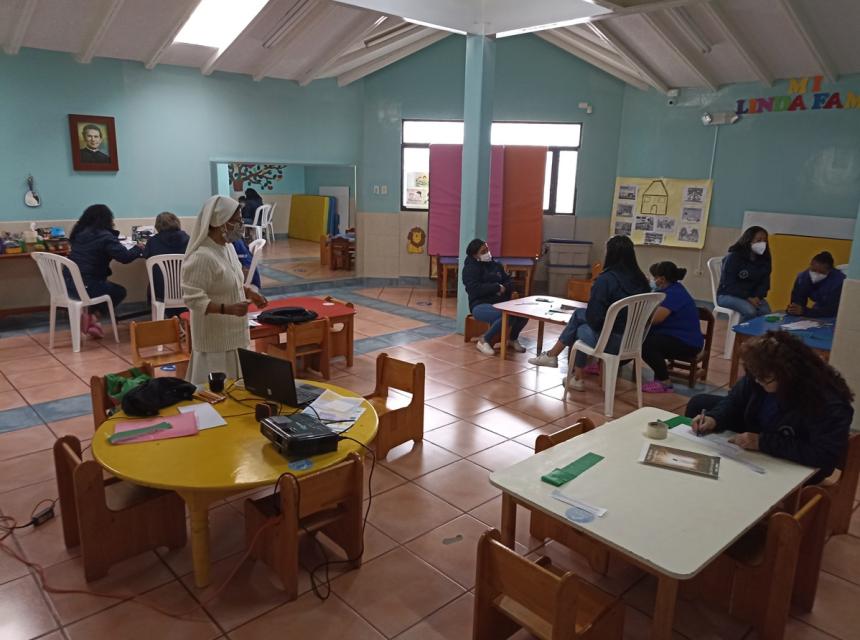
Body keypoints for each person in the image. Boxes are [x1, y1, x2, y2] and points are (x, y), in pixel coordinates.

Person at [685, 331, 853, 484]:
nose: (757, 381)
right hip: (762, 430)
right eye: (755, 376)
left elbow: (824, 458)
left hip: (793, 455)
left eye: (764, 379)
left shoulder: (828, 403)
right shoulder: (761, 374)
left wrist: (762, 442)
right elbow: (735, 401)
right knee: (700, 404)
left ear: (787, 375)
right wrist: (714, 418)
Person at [530, 235, 650, 391]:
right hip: (634, 342)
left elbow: (595, 320)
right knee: (579, 319)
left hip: (611, 342)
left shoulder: (606, 280)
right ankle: (567, 369)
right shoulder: (642, 280)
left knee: (579, 324)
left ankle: (561, 363)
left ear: (610, 254)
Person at [181, 195, 268, 384]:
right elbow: (193, 300)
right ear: (221, 223)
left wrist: (250, 293)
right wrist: (227, 309)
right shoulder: (202, 257)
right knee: (216, 397)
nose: (241, 225)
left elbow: (232, 282)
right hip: (215, 343)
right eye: (237, 221)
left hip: (235, 336)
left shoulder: (227, 248)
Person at [68, 204, 142, 338]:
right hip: (86, 285)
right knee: (118, 291)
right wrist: (139, 248)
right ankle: (92, 317)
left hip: (68, 284)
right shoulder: (105, 237)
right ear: (107, 219)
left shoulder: (79, 234)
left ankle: (90, 317)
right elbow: (125, 257)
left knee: (104, 286)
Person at [641, 261, 704, 393]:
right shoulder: (672, 289)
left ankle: (664, 382)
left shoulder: (674, 293)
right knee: (643, 338)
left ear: (662, 279)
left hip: (687, 343)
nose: (653, 280)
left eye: (654, 277)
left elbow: (656, 319)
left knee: (646, 344)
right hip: (676, 337)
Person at [462, 238, 528, 356]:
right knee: (507, 316)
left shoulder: (496, 265)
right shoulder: (470, 269)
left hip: (501, 302)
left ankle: (512, 339)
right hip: (480, 305)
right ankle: (484, 340)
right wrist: (496, 288)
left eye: (487, 249)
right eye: (483, 251)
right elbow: (474, 289)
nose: (487, 253)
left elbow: (509, 282)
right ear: (475, 255)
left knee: (523, 314)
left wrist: (504, 288)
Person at [716, 226, 772, 322]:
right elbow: (729, 284)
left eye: (765, 241)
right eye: (758, 240)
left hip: (753, 297)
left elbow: (765, 283)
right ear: (748, 240)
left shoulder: (764, 259)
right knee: (750, 311)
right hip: (728, 295)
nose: (762, 243)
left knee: (766, 313)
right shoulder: (734, 257)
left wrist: (758, 297)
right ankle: (740, 336)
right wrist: (748, 298)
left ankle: (756, 336)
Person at [143, 211, 190, 317]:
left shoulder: (152, 242)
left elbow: (146, 255)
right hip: (186, 290)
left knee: (153, 282)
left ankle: (165, 318)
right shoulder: (188, 239)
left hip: (161, 294)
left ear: (157, 225)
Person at [787, 251, 845, 318]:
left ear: (830, 271)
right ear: (810, 265)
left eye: (821, 272)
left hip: (837, 313)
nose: (816, 275)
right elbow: (797, 301)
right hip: (817, 309)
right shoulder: (802, 278)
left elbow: (831, 310)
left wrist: (804, 311)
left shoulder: (839, 282)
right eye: (813, 270)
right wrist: (794, 309)